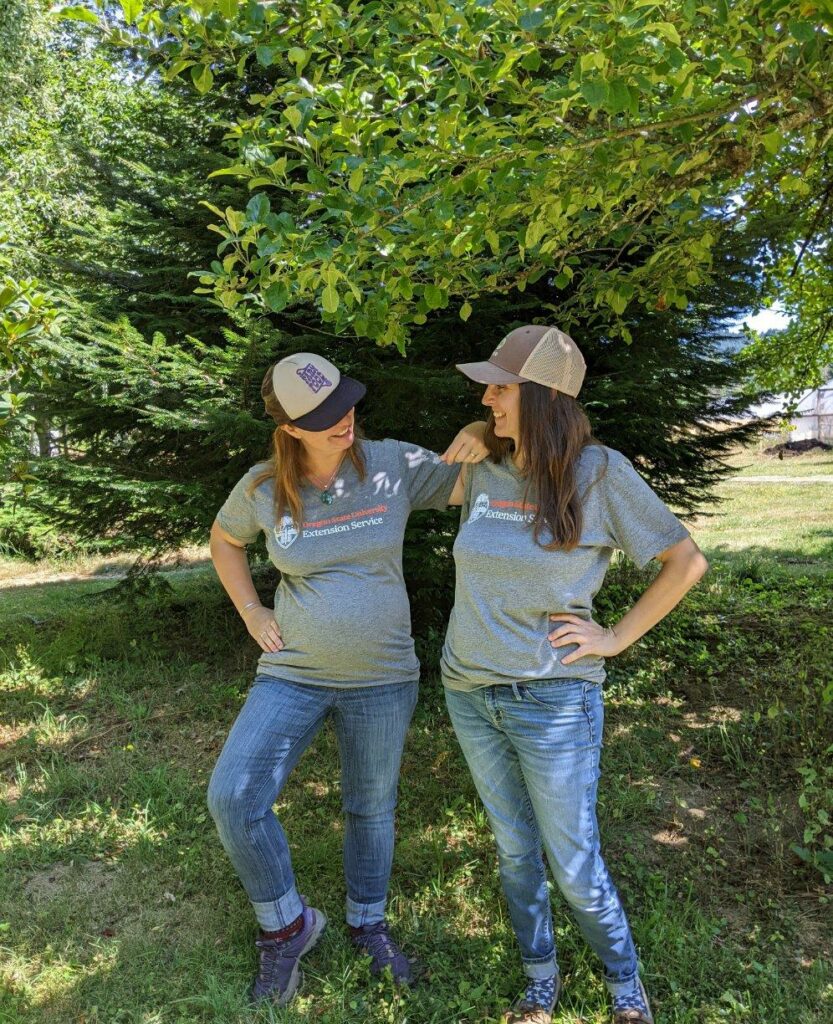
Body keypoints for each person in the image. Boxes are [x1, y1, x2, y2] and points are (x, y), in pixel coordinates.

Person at [440, 325, 709, 1024]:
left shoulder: (601, 474)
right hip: (469, 692)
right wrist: (476, 429)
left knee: (572, 864)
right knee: (513, 852)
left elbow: (685, 562)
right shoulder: (484, 466)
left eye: (498, 387)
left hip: (553, 699)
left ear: (539, 397)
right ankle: (539, 980)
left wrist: (614, 636)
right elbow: (404, 484)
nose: (486, 396)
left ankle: (624, 988)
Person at [207, 352, 485, 1005]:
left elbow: (476, 483)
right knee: (233, 797)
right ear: (290, 427)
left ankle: (368, 925)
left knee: (370, 808)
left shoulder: (390, 464)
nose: (344, 421)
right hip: (293, 673)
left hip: (382, 677)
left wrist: (486, 436)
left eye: (347, 404)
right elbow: (224, 541)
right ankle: (287, 928)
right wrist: (251, 610)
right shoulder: (262, 487)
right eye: (325, 417)